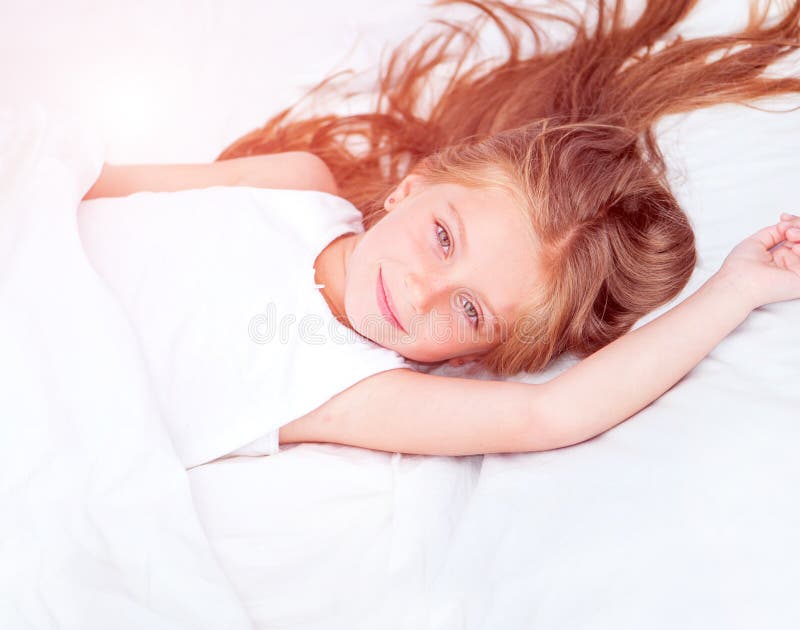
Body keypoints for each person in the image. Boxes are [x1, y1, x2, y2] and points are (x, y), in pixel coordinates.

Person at [83, 0, 800, 462]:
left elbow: (548, 414)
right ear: (413, 184)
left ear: (480, 353)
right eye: (443, 238)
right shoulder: (296, 186)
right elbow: (93, 184)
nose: (424, 290)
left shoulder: (354, 385)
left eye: (469, 310)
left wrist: (737, 290)